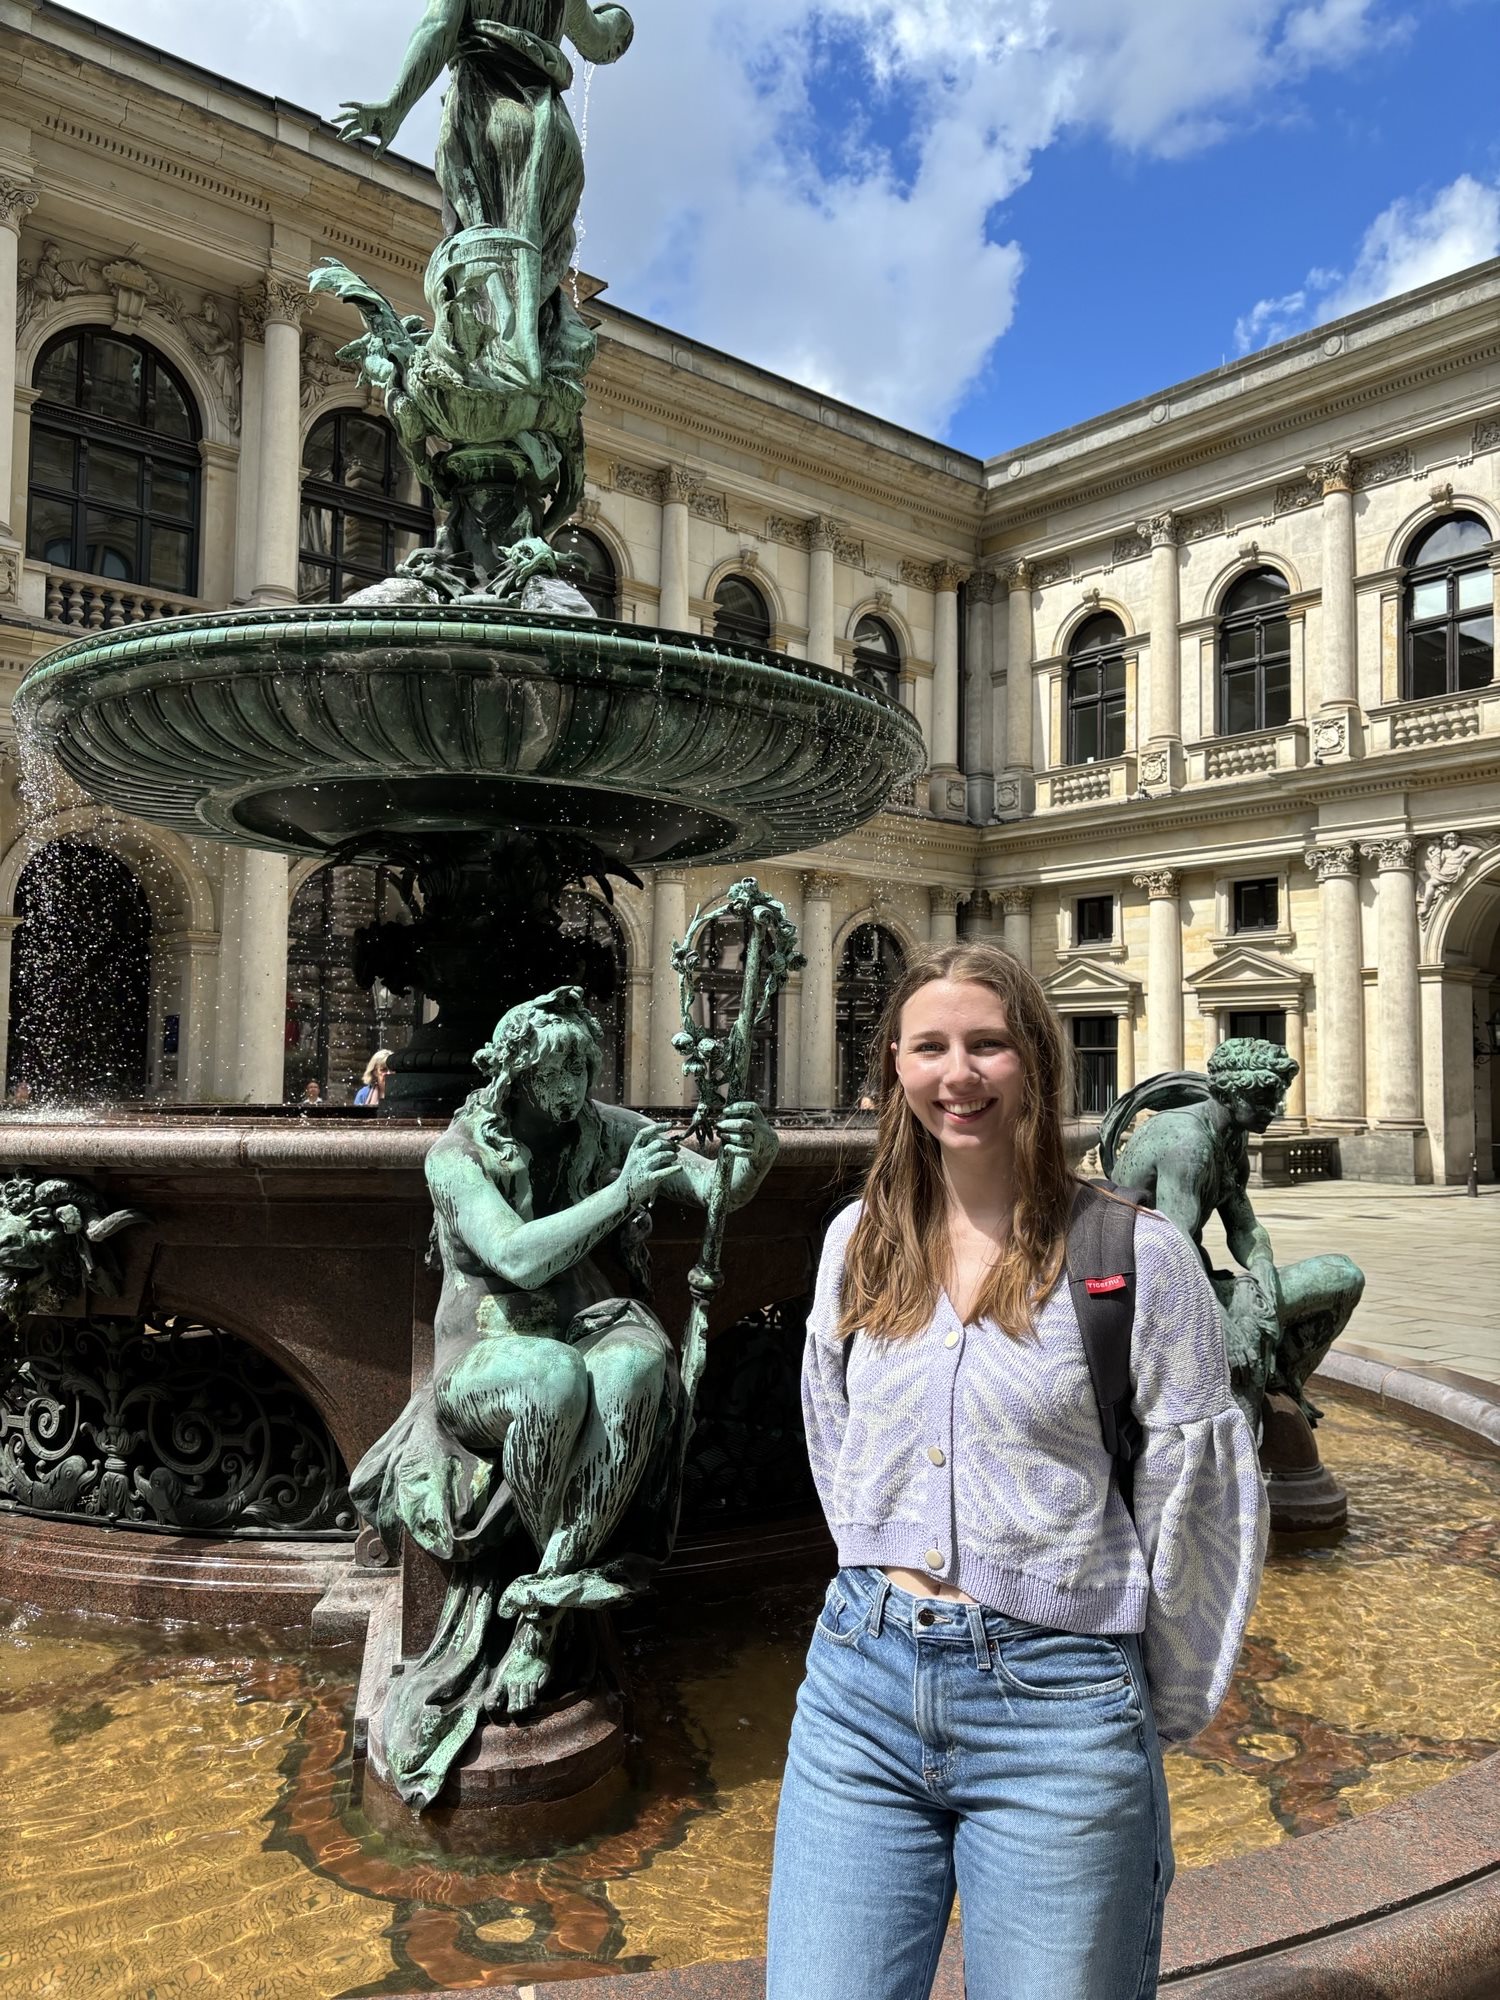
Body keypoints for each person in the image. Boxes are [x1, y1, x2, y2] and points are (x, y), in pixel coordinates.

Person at [767, 943, 1268, 2000]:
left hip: (1060, 1709)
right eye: (931, 1046)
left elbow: (1201, 1495)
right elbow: (834, 1431)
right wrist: (879, 1549)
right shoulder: (856, 1239)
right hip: (860, 1684)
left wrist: (1152, 1703)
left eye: (987, 1043)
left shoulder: (1137, 1252)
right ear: (894, 1068)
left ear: (1034, 1060)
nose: (961, 1074)